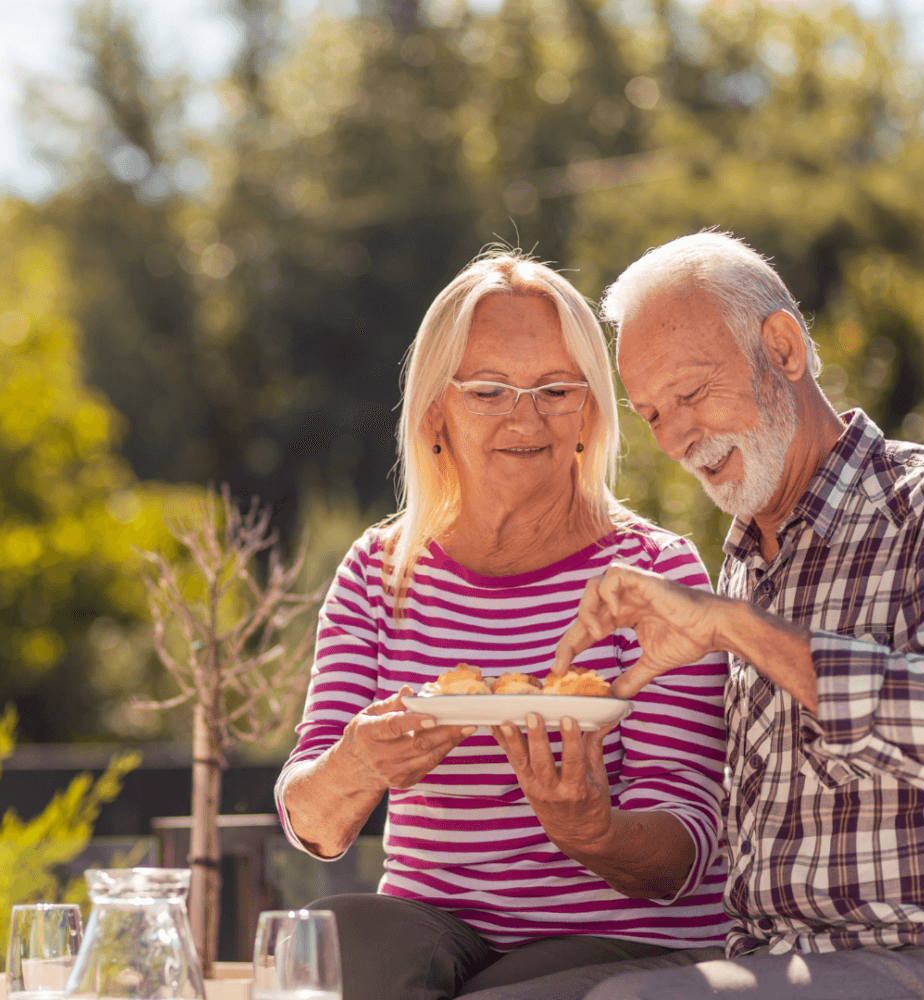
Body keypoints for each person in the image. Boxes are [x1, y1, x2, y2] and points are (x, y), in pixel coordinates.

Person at [273, 251, 731, 1000]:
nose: (527, 418)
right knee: (336, 941)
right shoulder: (378, 571)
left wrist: (592, 829)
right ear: (435, 413)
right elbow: (316, 825)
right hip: (436, 931)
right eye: (488, 390)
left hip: (618, 938)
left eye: (555, 390)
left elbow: (687, 843)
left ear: (589, 412)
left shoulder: (653, 575)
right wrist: (360, 763)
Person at [527, 230, 924, 999]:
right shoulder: (743, 559)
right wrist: (588, 821)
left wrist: (738, 628)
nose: (677, 437)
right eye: (652, 414)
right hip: (763, 960)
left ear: (784, 348)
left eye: (692, 395)